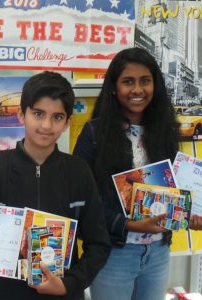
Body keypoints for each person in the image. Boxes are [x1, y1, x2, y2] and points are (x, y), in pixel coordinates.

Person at [0, 71, 112, 300]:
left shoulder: (79, 172)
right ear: (21, 115)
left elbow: (99, 244)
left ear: (67, 123)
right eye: (38, 113)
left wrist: (69, 284)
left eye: (57, 117)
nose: (46, 125)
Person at [73, 47, 179, 300]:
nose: (137, 90)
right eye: (128, 82)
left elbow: (175, 188)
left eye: (145, 81)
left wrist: (189, 213)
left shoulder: (165, 129)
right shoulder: (94, 134)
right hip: (113, 254)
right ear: (113, 87)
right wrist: (128, 224)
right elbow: (80, 199)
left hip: (158, 252)